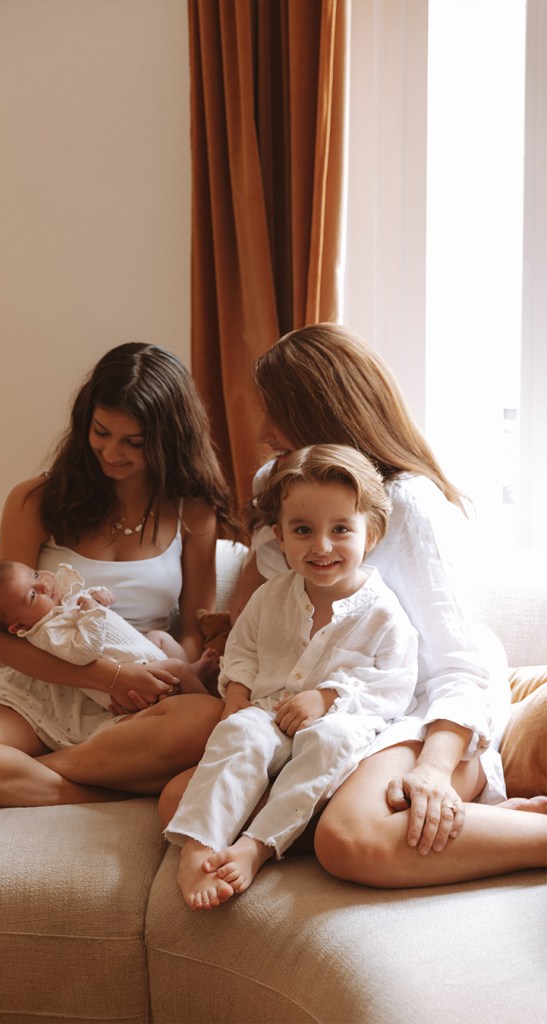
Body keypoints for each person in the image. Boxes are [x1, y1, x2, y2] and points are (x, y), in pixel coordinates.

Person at [159, 324, 547, 889]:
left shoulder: (407, 504)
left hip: (412, 706)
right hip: (315, 716)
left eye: (277, 414)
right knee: (178, 806)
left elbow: (457, 665)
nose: (264, 432)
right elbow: (260, 610)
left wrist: (435, 769)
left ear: (323, 412)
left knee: (349, 840)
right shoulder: (286, 484)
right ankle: (478, 827)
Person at [0, 342, 239, 808]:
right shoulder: (36, 502)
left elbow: (191, 630)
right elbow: (3, 640)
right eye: (101, 432)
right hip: (41, 692)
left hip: (138, 705)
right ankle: (89, 785)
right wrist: (110, 678)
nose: (112, 453)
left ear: (168, 440)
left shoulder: (192, 512)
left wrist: (160, 681)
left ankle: (25, 777)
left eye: (134, 442)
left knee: (208, 720)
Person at [165, 445, 419, 909]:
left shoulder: (383, 612)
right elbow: (241, 650)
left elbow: (394, 686)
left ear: (372, 533)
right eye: (303, 531)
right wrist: (237, 694)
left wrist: (327, 697)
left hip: (339, 723)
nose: (321, 546)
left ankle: (255, 846)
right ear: (280, 538)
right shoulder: (270, 597)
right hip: (268, 712)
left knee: (329, 742)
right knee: (239, 731)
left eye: (341, 529)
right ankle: (199, 845)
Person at [0, 558, 219, 710]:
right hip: (131, 674)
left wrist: (96, 595)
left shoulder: (59, 607)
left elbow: (84, 600)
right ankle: (212, 711)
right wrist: (93, 612)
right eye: (33, 594)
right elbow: (84, 651)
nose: (44, 584)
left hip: (140, 651)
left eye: (35, 575)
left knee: (159, 637)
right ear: (18, 627)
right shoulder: (48, 633)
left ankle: (191, 675)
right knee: (176, 668)